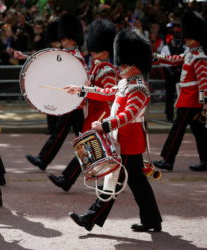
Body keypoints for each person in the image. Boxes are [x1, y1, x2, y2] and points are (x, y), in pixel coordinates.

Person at [64, 28, 162, 232]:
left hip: (128, 142)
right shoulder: (126, 83)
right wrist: (81, 89)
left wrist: (106, 125)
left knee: (113, 180)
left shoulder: (139, 88)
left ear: (135, 66)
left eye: (124, 64)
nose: (121, 67)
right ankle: (152, 220)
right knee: (136, 183)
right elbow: (105, 92)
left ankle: (91, 218)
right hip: (122, 141)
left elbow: (128, 115)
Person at [47, 18, 118, 192]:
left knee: (88, 146)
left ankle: (67, 179)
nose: (92, 51)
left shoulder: (107, 70)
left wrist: (85, 90)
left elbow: (109, 94)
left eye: (96, 49)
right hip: (91, 111)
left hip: (101, 113)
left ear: (105, 50)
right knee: (92, 147)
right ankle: (115, 179)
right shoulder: (97, 67)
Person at [25, 13, 86, 171]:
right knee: (82, 138)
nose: (63, 41)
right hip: (71, 101)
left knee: (60, 133)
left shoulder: (76, 57)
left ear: (73, 39)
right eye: (63, 38)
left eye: (66, 38)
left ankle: (43, 159)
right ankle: (87, 160)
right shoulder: (69, 55)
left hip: (72, 102)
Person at [153, 9, 207, 172]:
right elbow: (175, 59)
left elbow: (204, 83)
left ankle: (168, 159)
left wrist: (204, 103)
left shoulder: (200, 57)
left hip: (191, 100)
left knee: (177, 129)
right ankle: (206, 160)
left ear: (198, 39)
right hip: (187, 98)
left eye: (190, 38)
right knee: (199, 132)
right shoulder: (191, 53)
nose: (187, 40)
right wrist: (158, 56)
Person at [160, 23, 185, 122]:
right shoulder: (166, 48)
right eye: (176, 39)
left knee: (180, 97)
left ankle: (180, 116)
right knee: (169, 96)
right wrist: (170, 68)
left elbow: (186, 60)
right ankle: (169, 116)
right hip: (170, 74)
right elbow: (162, 61)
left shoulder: (184, 48)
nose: (177, 42)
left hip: (180, 75)